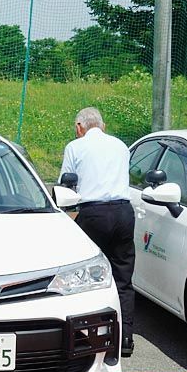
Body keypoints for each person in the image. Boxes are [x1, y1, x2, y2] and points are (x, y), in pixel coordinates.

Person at [60, 107, 135, 357]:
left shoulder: (75, 147)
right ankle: (125, 339)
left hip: (93, 214)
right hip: (124, 213)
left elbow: (66, 188)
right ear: (102, 126)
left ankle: (91, 339)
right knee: (123, 278)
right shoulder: (121, 146)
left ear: (80, 126)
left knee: (87, 277)